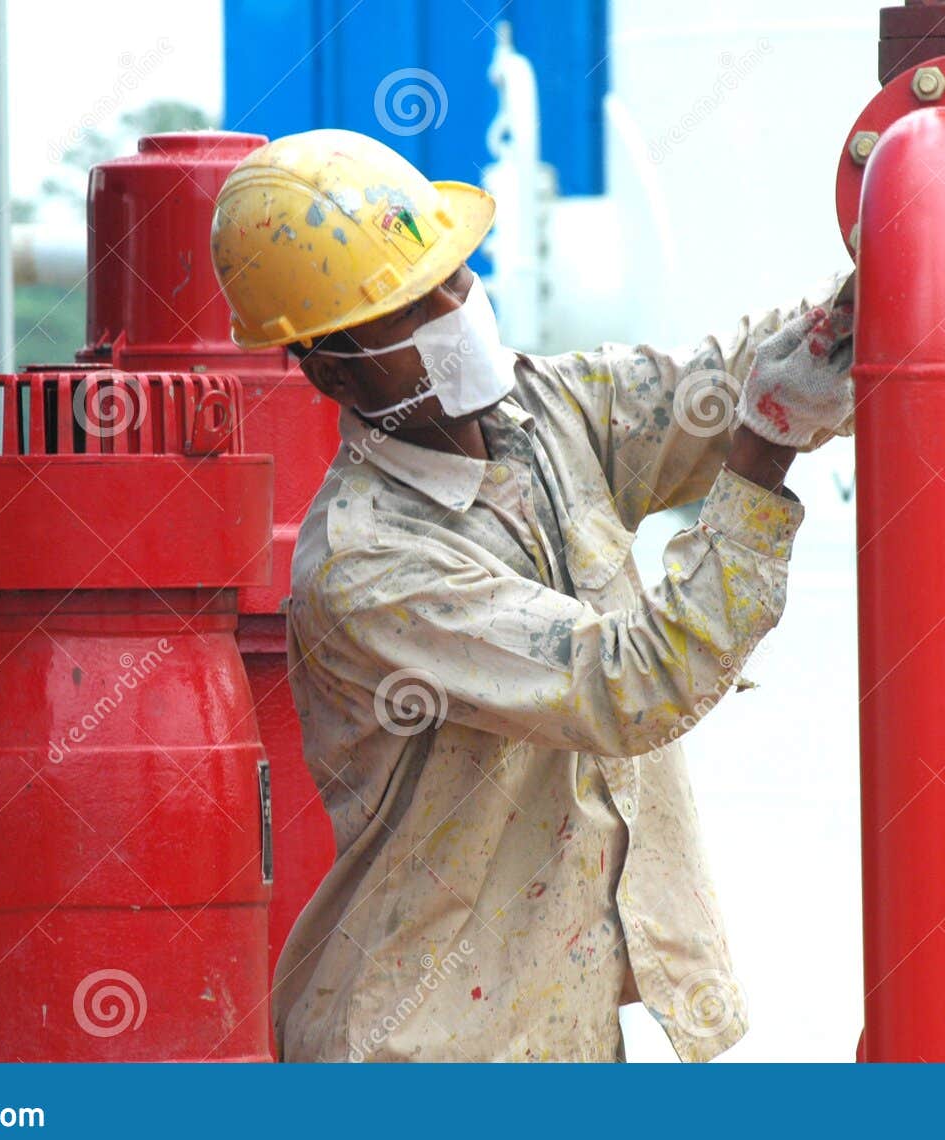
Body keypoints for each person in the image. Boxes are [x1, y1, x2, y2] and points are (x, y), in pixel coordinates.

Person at [211, 129, 854, 1062]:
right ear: (333, 369)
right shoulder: (371, 563)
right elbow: (628, 683)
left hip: (552, 1028)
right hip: (425, 1047)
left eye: (451, 276)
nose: (453, 311)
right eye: (408, 306)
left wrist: (858, 310)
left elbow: (715, 384)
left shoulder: (542, 412)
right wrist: (765, 451)